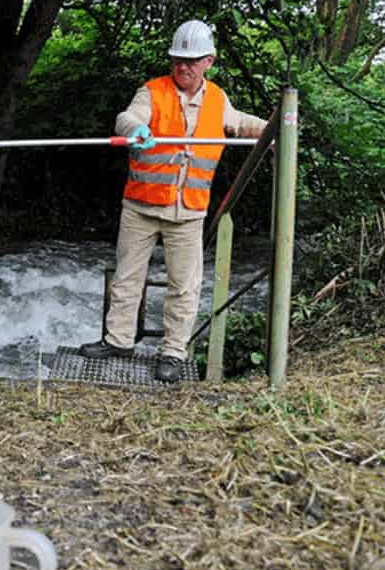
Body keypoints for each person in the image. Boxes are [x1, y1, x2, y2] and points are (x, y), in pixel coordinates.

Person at [80, 20, 267, 383]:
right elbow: (127, 117)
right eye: (177, 59)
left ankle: (173, 351)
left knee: (185, 285)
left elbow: (241, 123)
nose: (183, 67)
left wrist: (276, 126)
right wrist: (135, 130)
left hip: (189, 212)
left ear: (208, 62)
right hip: (141, 206)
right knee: (127, 277)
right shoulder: (151, 92)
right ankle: (118, 340)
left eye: (192, 61)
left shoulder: (218, 99)